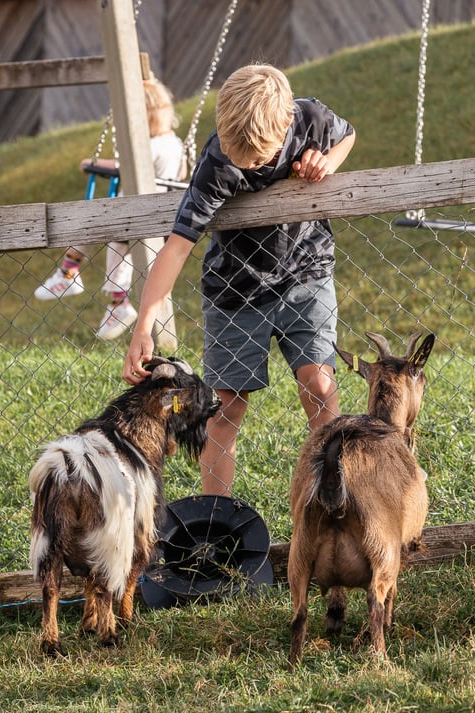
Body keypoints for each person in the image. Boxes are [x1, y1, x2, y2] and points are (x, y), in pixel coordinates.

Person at [121, 63, 356, 497]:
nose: (244, 165)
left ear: (287, 124)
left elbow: (347, 135)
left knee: (320, 389)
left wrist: (327, 160)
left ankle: (331, 503)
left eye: (258, 159)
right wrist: (144, 324)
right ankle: (217, 519)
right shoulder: (217, 164)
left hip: (307, 274)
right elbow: (176, 248)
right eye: (237, 157)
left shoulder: (310, 119)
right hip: (236, 292)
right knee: (224, 409)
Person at [33, 75, 188, 341]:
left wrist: (90, 163)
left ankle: (70, 273)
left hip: (135, 212)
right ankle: (116, 303)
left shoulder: (147, 147)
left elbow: (122, 167)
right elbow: (183, 172)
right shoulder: (174, 143)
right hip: (158, 215)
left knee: (90, 221)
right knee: (118, 250)